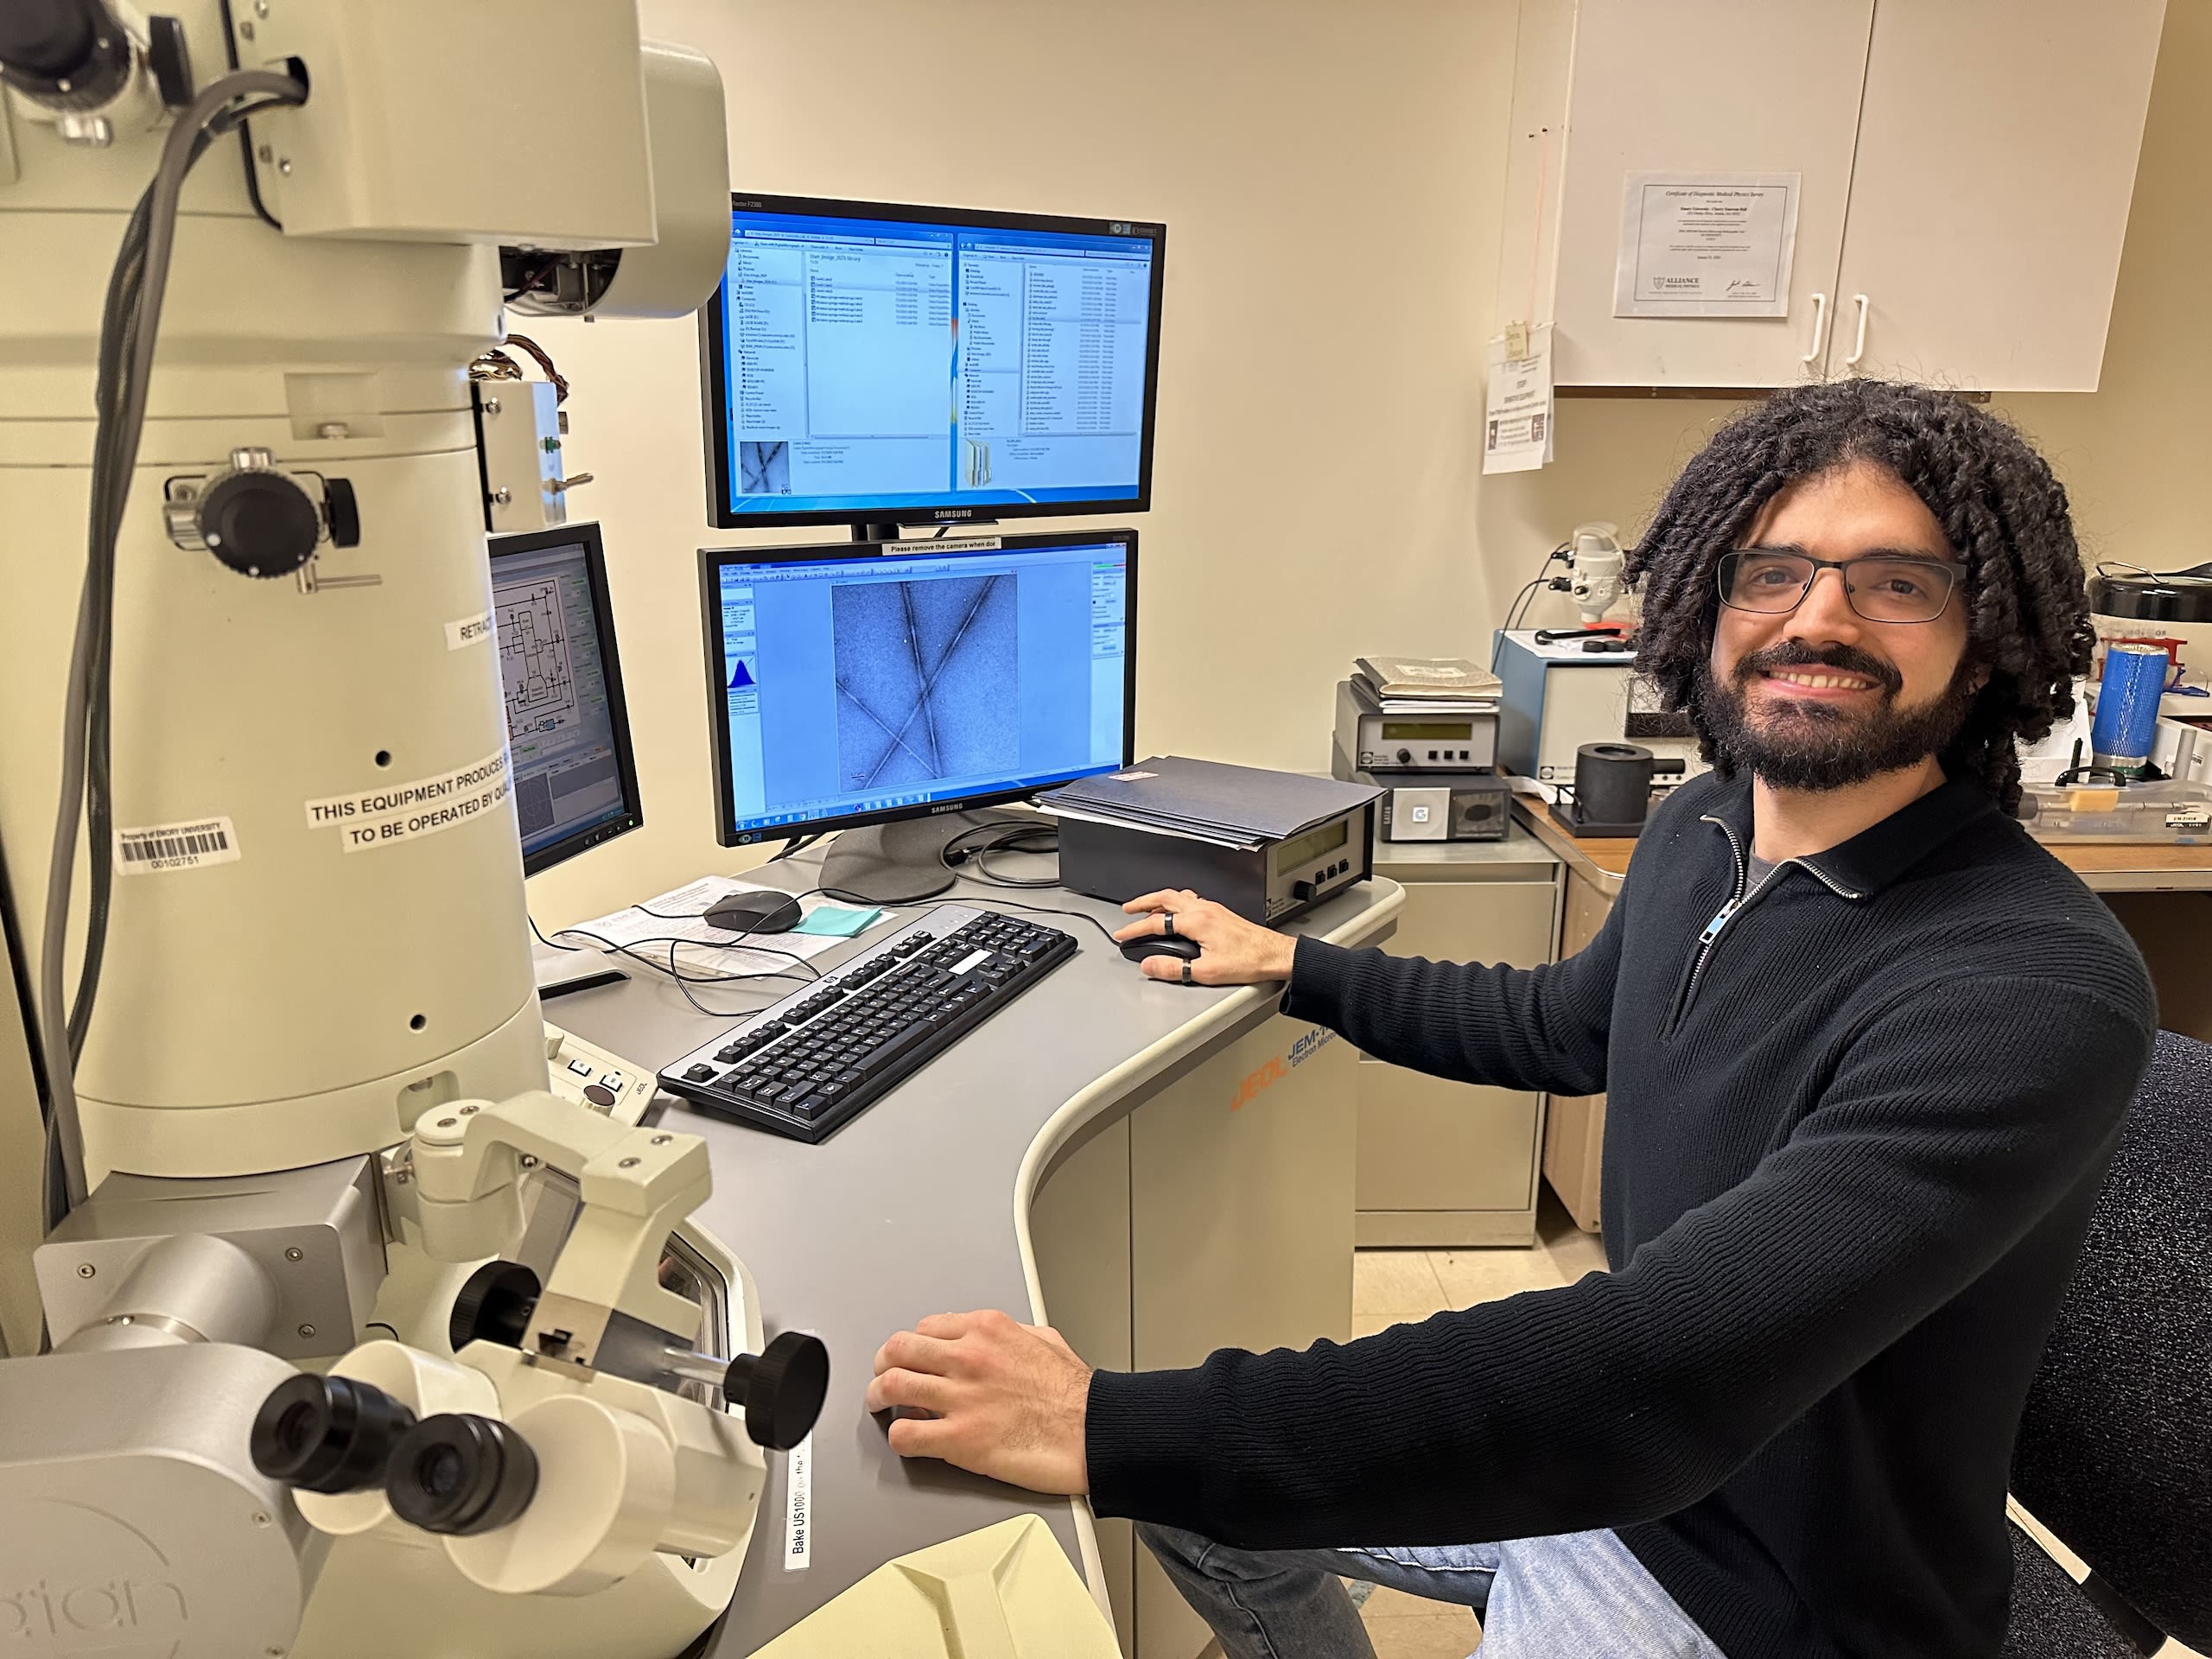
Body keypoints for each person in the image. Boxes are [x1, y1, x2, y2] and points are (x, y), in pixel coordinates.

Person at [864, 381, 2158, 1658]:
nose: (1816, 619)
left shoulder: (2027, 986)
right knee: (1198, 1491)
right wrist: (1294, 966)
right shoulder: (1702, 827)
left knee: (1159, 1445)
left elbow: (1655, 1376)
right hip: (1619, 1464)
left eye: (1896, 582)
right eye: (1769, 575)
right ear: (1708, 608)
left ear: (1985, 635)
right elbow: (1563, 1026)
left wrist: (1099, 1421)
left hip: (1765, 1589)